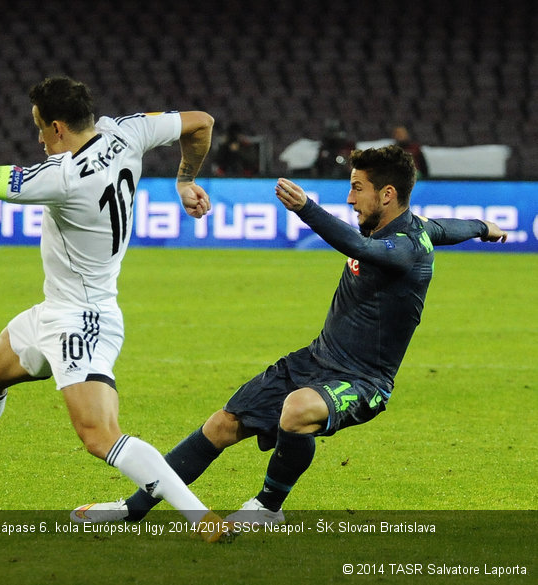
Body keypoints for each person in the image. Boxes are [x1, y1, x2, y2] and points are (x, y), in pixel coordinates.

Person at [71, 145, 507, 526]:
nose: (350, 198)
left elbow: (362, 250)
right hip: (314, 360)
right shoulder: (418, 228)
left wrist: (306, 208)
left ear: (387, 194)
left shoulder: (406, 247)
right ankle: (132, 509)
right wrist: (484, 227)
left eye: (357, 188)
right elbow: (453, 226)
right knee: (222, 425)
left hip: (363, 381)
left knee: (297, 410)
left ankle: (268, 506)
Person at [0, 64, 235, 542]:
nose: (38, 139)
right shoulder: (126, 131)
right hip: (54, 310)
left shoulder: (64, 175)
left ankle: (204, 519)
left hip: (84, 320)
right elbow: (201, 121)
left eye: (38, 127)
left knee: (99, 436)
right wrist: (184, 180)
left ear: (56, 127)